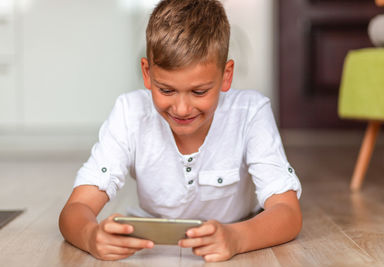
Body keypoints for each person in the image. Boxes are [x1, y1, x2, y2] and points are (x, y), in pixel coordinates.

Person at [59, 0, 302, 262]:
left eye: (199, 92)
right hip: (154, 245)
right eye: (166, 90)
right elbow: (76, 208)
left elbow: (288, 212)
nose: (182, 108)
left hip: (239, 227)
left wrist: (237, 238)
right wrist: (90, 236)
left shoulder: (251, 112)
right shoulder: (129, 113)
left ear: (226, 75)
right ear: (147, 73)